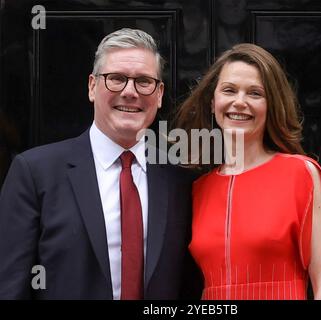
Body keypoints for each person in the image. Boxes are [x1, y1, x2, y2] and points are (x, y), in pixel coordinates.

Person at [0, 28, 201, 300]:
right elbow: (11, 286)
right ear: (92, 86)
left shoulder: (181, 180)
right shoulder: (35, 173)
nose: (130, 92)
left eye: (144, 81)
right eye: (116, 79)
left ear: (160, 94)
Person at [175, 43, 321, 300]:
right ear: (213, 103)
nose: (240, 102)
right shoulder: (198, 188)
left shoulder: (301, 174)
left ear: (271, 105)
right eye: (229, 90)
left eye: (255, 93)